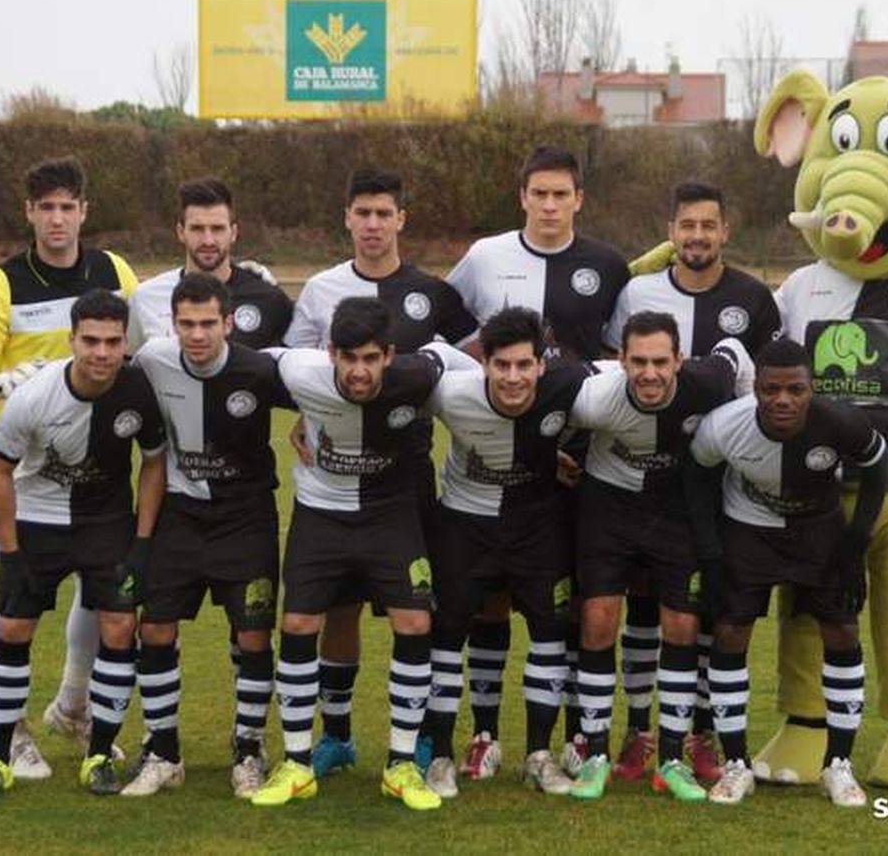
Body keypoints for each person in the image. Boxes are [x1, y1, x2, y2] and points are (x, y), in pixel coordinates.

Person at [283, 168, 479, 779]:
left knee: (417, 609)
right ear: (347, 218)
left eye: (383, 213)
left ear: (401, 219)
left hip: (404, 482)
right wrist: (302, 418)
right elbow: (300, 366)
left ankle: (417, 740)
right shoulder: (320, 289)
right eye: (362, 213)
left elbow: (470, 358)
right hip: (333, 481)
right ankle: (336, 735)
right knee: (335, 612)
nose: (372, 224)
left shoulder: (431, 294)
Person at [443, 145, 629, 779]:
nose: (550, 205)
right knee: (491, 601)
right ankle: (487, 734)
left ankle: (578, 734)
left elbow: (621, 357)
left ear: (579, 198)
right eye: (538, 194)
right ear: (522, 197)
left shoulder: (607, 265)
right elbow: (444, 338)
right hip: (503, 458)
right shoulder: (484, 257)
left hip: (584, 458)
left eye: (561, 194)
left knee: (574, 599)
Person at [0, 156, 139, 780]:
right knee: (16, 598)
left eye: (68, 206)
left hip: (101, 459)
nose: (57, 219)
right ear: (29, 212)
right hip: (28, 463)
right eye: (46, 207)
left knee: (102, 591)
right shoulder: (0, 283)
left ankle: (75, 706)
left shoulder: (113, 271)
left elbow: (139, 343)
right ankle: (14, 731)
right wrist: (4, 382)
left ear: (84, 211)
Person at [251, 297, 475, 811]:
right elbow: (243, 359)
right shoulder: (299, 370)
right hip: (319, 514)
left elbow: (459, 359)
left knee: (415, 624)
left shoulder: (419, 374)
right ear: (329, 353)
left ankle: (400, 765)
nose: (359, 371)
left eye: (370, 358)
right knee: (301, 623)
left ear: (389, 355)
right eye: (348, 358)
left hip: (390, 515)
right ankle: (299, 763)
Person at [604, 181, 783, 783]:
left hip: (718, 479)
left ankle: (702, 731)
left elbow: (766, 385)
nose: (698, 236)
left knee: (706, 609)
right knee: (642, 609)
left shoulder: (754, 299)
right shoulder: (639, 292)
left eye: (709, 225)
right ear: (672, 231)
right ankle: (639, 731)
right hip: (641, 477)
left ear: (725, 231)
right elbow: (614, 373)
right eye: (687, 225)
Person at [0, 290, 165, 798]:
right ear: (72, 340)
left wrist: (141, 542)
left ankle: (98, 753)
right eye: (90, 341)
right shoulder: (33, 397)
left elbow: (155, 462)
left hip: (105, 521)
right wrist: (10, 554)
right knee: (13, 625)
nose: (101, 352)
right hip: (39, 519)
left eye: (113, 342)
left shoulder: (139, 389)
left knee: (120, 625)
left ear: (125, 343)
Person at [688, 338, 888, 807]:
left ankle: (838, 765)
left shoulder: (840, 421)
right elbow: (696, 477)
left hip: (818, 531)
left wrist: (856, 542)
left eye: (795, 390)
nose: (783, 400)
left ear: (810, 388)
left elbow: (878, 464)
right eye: (771, 389)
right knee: (730, 632)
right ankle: (736, 764)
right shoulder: (725, 425)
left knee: (841, 630)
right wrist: (711, 554)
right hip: (749, 531)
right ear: (755, 388)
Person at [564, 311, 753, 802]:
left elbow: (737, 353)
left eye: (661, 362)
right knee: (599, 621)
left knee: (683, 628)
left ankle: (670, 758)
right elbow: (539, 419)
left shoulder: (709, 382)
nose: (650, 373)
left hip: (676, 511)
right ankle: (596, 757)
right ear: (620, 360)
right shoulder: (593, 397)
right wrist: (556, 455)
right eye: (639, 361)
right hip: (609, 508)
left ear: (680, 360)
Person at [125, 273, 290, 798]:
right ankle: (163, 751)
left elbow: (320, 390)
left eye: (207, 324)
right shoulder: (152, 360)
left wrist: (310, 425)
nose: (197, 335)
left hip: (246, 517)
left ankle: (248, 748)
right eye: (186, 324)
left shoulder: (260, 369)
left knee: (253, 635)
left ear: (227, 323)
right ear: (173, 325)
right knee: (154, 629)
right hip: (180, 515)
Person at [418, 307, 594, 799]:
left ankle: (538, 756)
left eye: (523, 365)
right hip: (463, 524)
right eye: (502, 366)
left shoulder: (573, 386)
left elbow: (638, 386)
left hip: (538, 526)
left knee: (548, 634)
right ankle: (441, 757)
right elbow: (379, 389)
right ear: (485, 365)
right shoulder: (450, 391)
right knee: (448, 637)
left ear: (541, 365)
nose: (513, 377)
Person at [129, 177, 293, 350]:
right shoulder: (145, 298)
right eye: (197, 229)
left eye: (217, 229)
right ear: (180, 232)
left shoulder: (270, 299)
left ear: (234, 232)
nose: (208, 241)